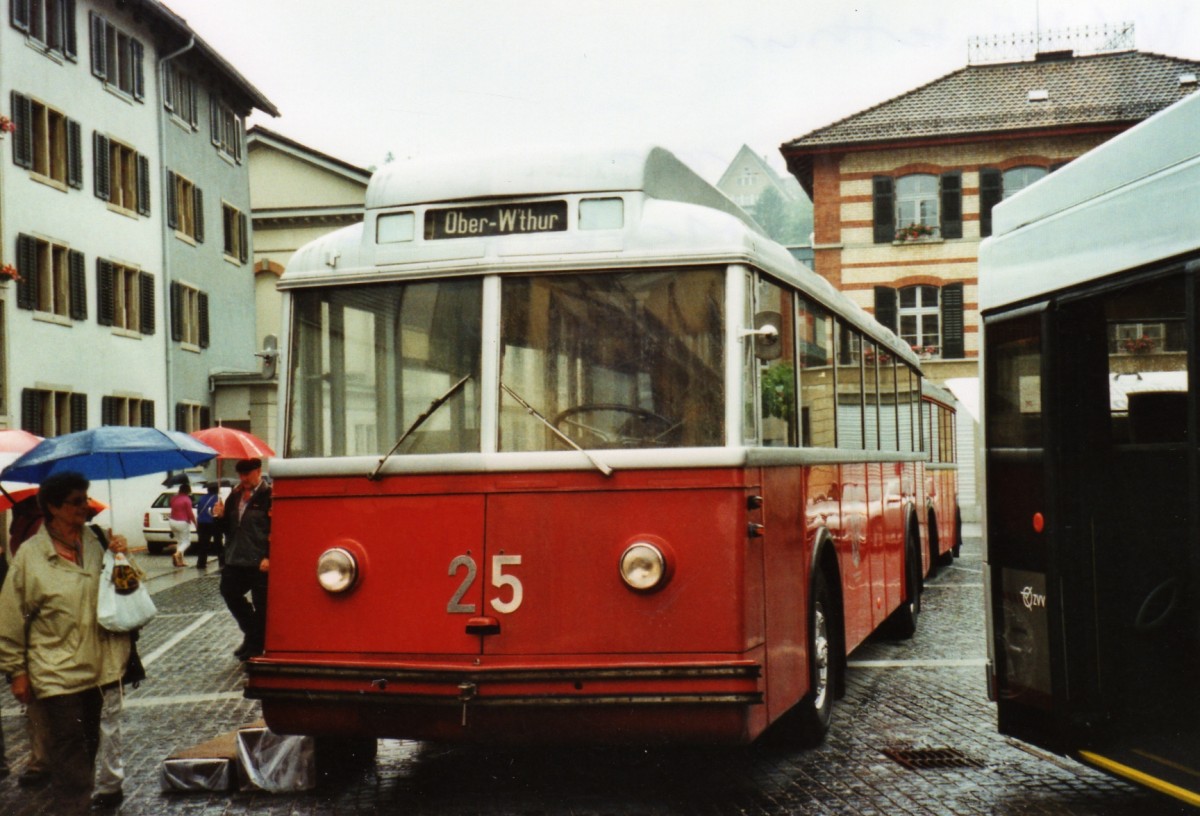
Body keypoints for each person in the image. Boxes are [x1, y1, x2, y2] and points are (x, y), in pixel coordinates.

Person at [0, 472, 132, 814]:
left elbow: (127, 592)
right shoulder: (31, 557)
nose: (85, 507)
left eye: (86, 499)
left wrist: (122, 559)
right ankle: (74, 807)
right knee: (69, 747)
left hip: (99, 667)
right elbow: (10, 619)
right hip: (56, 670)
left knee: (87, 743)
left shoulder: (97, 541)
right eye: (77, 501)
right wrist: (17, 671)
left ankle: (77, 800)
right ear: (53, 507)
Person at [216, 458, 271, 660]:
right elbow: (226, 530)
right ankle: (252, 635)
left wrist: (269, 555)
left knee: (261, 604)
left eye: (247, 474)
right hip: (235, 558)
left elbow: (278, 529)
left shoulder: (269, 495)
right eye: (240, 474)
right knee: (229, 593)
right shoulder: (235, 495)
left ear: (258, 471)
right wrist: (219, 517)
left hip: (259, 561)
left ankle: (255, 644)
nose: (243, 478)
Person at [194, 481, 224, 570]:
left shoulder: (202, 498)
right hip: (214, 522)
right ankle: (222, 563)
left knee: (203, 543)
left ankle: (201, 563)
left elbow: (199, 510)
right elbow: (220, 512)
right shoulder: (217, 498)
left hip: (202, 523)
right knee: (218, 543)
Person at [168, 481, 196, 568]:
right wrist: (195, 523)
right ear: (188, 491)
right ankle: (177, 554)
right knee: (187, 542)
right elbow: (190, 514)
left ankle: (180, 561)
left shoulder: (173, 498)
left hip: (172, 521)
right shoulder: (187, 500)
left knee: (180, 541)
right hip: (182, 522)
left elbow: (172, 507)